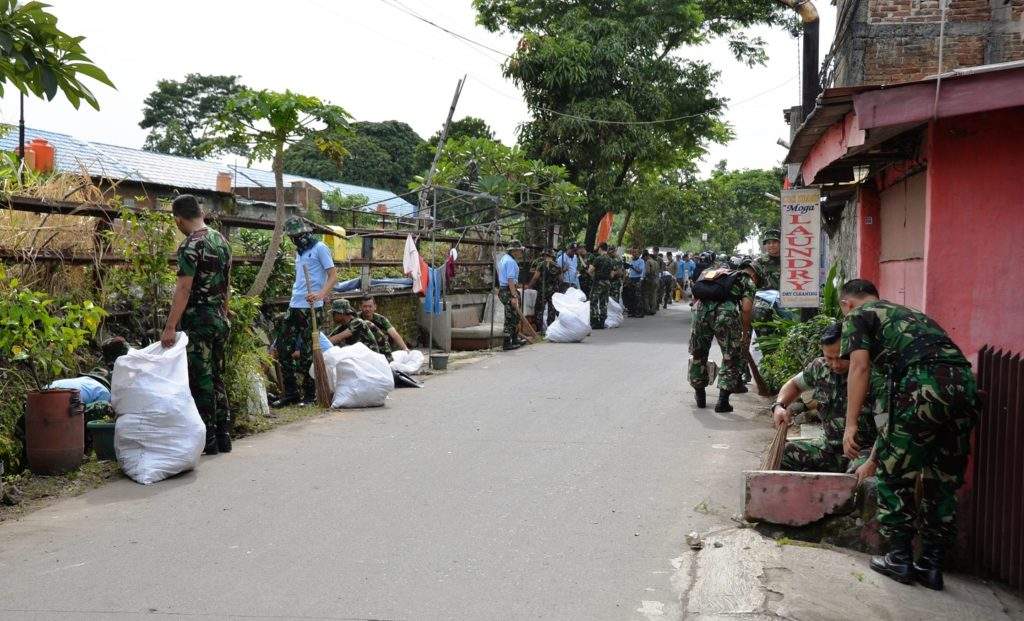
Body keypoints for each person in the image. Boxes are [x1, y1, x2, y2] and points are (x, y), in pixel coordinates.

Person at [838, 279, 978, 591]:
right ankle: (931, 564)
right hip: (964, 384)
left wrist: (850, 425)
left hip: (923, 384)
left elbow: (859, 368)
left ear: (846, 303)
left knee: (895, 472)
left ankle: (899, 558)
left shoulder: (858, 316)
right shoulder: (910, 314)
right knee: (942, 479)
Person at [161, 194, 233, 454]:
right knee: (217, 376)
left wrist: (170, 326)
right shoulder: (221, 240)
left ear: (179, 219)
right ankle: (224, 435)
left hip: (199, 320)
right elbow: (227, 282)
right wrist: (225, 311)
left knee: (201, 378)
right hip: (220, 319)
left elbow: (184, 287)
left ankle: (208, 439)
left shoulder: (190, 245)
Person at [771, 322, 877, 472]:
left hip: (862, 451)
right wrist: (779, 406)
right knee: (785, 454)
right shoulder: (819, 368)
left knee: (854, 479)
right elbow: (794, 385)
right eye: (829, 358)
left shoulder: (872, 376)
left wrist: (872, 461)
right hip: (829, 448)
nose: (835, 364)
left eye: (841, 357)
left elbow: (888, 427)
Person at [270, 216, 338, 408]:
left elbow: (333, 276)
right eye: (292, 236)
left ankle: (310, 394)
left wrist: (320, 294)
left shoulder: (320, 249)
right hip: (295, 305)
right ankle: (291, 393)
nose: (296, 239)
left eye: (298, 235)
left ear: (306, 232)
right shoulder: (300, 252)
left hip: (312, 308)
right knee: (283, 347)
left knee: (309, 351)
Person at [688, 258, 757, 412]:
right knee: (730, 356)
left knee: (698, 353)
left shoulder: (707, 273)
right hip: (725, 315)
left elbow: (694, 298)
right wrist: (745, 332)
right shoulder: (745, 279)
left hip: (700, 314)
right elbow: (746, 308)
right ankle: (722, 402)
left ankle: (700, 394)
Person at [498, 240, 526, 350]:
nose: (521, 252)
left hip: (508, 289)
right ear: (514, 251)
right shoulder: (509, 261)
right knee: (510, 316)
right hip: (508, 290)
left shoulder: (507, 259)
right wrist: (514, 296)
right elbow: (510, 280)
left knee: (515, 315)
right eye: (519, 250)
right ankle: (507, 342)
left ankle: (514, 338)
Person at [527, 248, 561, 332]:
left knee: (539, 309)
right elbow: (561, 279)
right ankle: (551, 329)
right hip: (554, 291)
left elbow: (535, 278)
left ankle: (539, 329)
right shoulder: (557, 266)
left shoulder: (541, 264)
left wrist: (529, 286)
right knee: (551, 310)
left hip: (543, 290)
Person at [587, 242, 617, 329]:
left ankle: (595, 322)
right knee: (604, 303)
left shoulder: (598, 259)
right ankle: (602, 321)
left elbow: (590, 270)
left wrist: (594, 277)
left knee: (593, 302)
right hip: (607, 283)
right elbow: (612, 275)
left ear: (600, 248)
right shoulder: (611, 260)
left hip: (598, 283)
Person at [625, 250, 645, 317]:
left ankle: (639, 312)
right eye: (633, 253)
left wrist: (632, 266)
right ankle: (631, 311)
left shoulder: (641, 261)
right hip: (631, 279)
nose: (634, 254)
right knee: (630, 296)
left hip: (637, 279)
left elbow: (639, 271)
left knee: (637, 297)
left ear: (639, 254)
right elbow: (628, 271)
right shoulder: (631, 260)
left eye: (636, 253)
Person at [643, 250, 659, 315]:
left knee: (646, 295)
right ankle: (653, 310)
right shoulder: (656, 262)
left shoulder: (648, 262)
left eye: (644, 258)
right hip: (656, 280)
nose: (644, 259)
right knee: (654, 295)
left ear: (646, 256)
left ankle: (647, 309)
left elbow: (647, 272)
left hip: (649, 280)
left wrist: (645, 278)